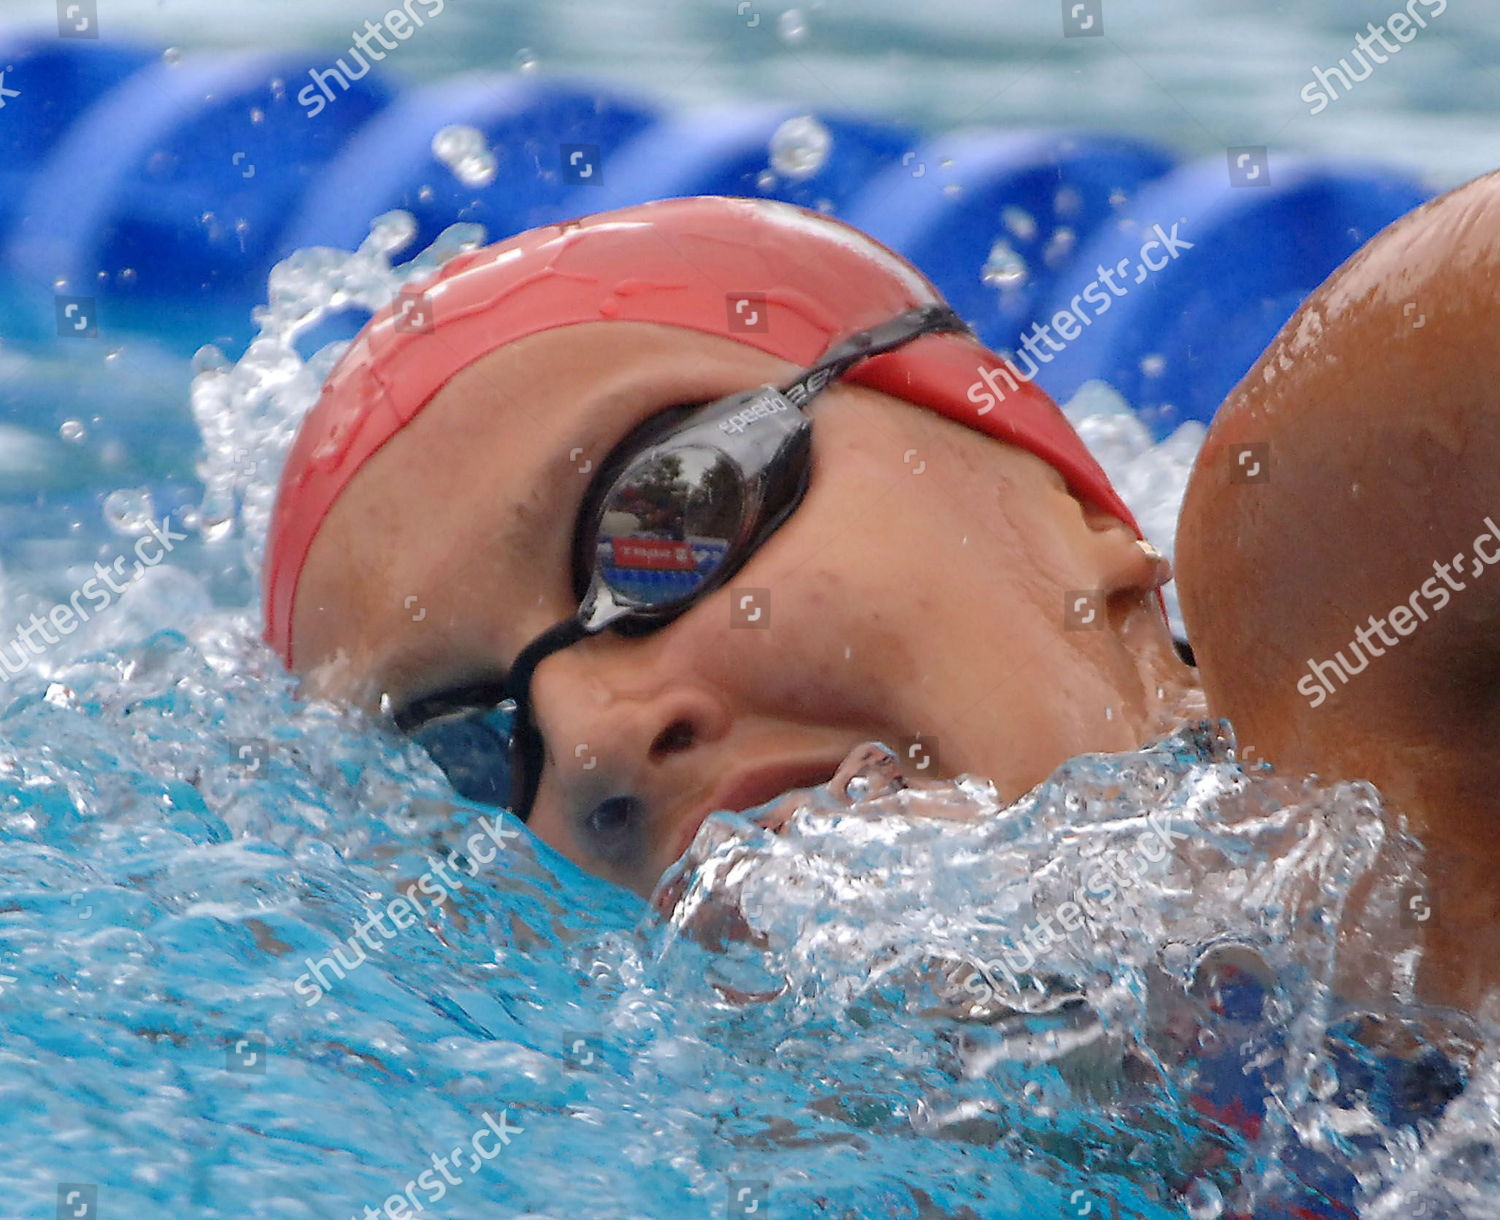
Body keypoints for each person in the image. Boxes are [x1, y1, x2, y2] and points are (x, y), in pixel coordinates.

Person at [263, 177, 1500, 1013]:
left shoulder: (1349, 587)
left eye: (664, 515)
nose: (588, 740)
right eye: (475, 755)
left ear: (1063, 506)